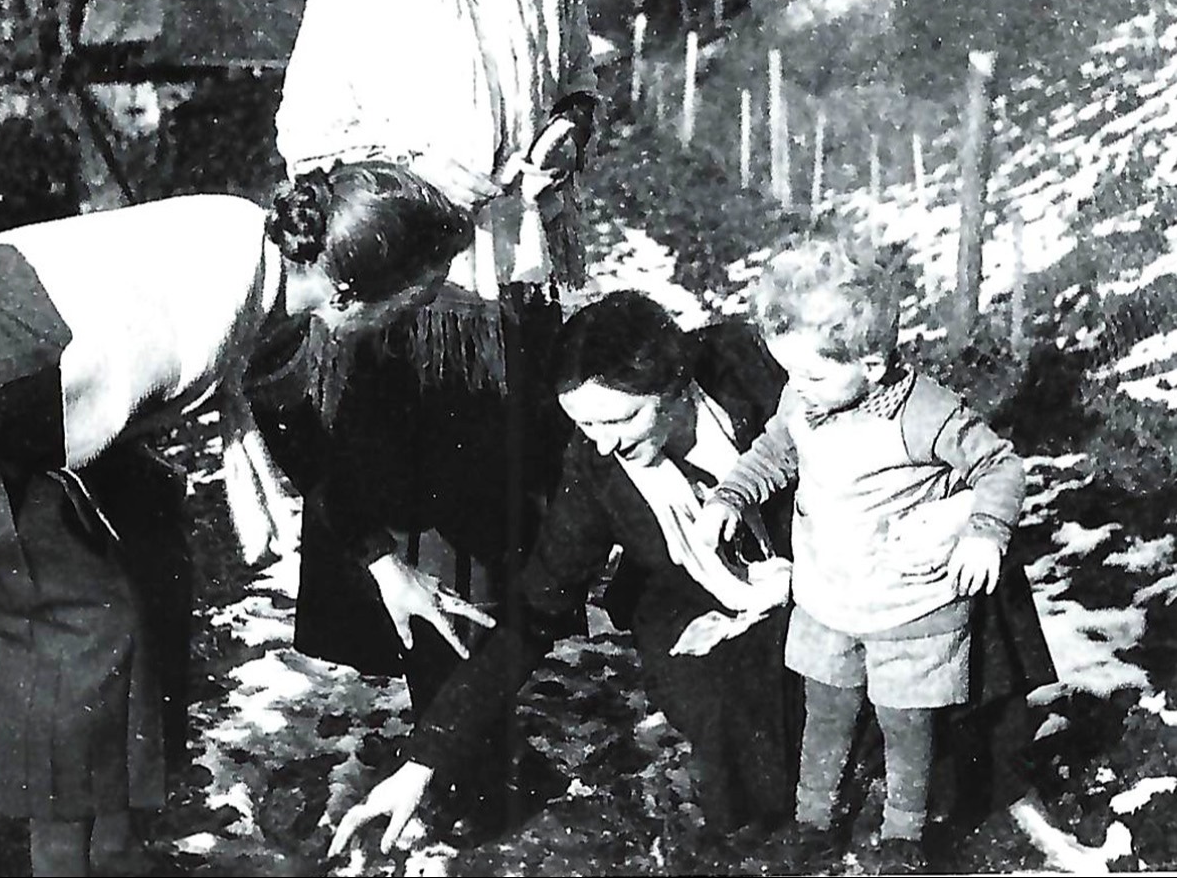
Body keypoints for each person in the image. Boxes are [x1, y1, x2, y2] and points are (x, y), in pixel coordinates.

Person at [0, 161, 473, 878]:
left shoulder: (270, 262)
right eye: (420, 291)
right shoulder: (204, 316)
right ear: (348, 293)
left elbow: (294, 426)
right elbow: (26, 426)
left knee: (150, 562)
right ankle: (64, 865)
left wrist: (382, 563)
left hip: (4, 384)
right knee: (86, 623)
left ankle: (112, 849)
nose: (422, 308)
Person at [267, 0, 599, 796]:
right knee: (435, 524)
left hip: (521, 271)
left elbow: (578, 74)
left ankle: (478, 732)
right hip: (418, 292)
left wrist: (570, 130)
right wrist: (417, 177)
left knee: (507, 518)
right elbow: (305, 142)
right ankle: (450, 757)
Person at [328, 291, 805, 862]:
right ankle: (761, 845)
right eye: (586, 425)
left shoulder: (750, 366)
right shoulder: (597, 462)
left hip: (823, 553)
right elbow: (535, 611)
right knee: (721, 694)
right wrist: (423, 761)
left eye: (621, 418)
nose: (604, 442)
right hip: (687, 584)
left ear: (674, 383)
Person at [696, 231, 1045, 874]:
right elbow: (776, 451)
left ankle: (904, 834)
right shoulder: (804, 397)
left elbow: (1001, 466)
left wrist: (984, 531)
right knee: (825, 709)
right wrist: (732, 495)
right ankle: (813, 819)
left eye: (813, 373)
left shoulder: (924, 412)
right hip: (830, 595)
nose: (796, 385)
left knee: (904, 723)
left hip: (910, 608)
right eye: (789, 371)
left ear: (873, 363)